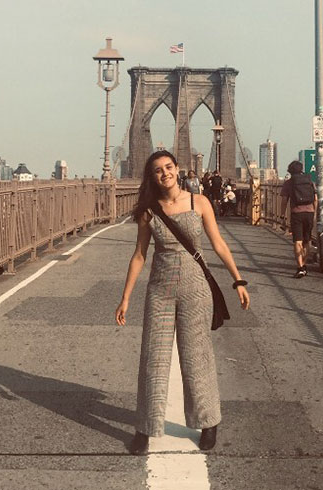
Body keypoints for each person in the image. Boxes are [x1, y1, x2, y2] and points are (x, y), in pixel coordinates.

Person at [115, 150, 250, 456]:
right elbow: (139, 255)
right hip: (160, 289)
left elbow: (218, 243)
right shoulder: (149, 212)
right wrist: (125, 299)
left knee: (196, 356)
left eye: (169, 167)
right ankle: (145, 429)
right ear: (152, 177)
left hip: (194, 288)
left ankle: (208, 422)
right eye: (158, 171)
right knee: (153, 358)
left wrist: (238, 280)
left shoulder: (199, 202)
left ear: (178, 169)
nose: (165, 174)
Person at [279, 160, 317, 278]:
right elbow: (315, 198)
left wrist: (282, 216)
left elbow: (284, 200)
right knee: (307, 241)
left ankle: (300, 267)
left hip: (296, 214)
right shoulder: (309, 181)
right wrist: (314, 213)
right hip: (309, 213)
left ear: (290, 171)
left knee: (297, 241)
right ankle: (304, 264)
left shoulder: (289, 183)